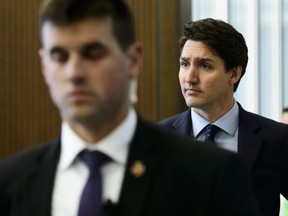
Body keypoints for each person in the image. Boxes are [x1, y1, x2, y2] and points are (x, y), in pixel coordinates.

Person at [0, 1, 261, 216]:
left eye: (93, 53)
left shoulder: (208, 173)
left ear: (133, 61)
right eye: (59, 56)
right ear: (44, 67)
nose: (74, 73)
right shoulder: (11, 182)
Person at [159, 18, 288, 216]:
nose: (190, 78)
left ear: (234, 74)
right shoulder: (157, 139)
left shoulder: (277, 139)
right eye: (185, 64)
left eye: (205, 66)